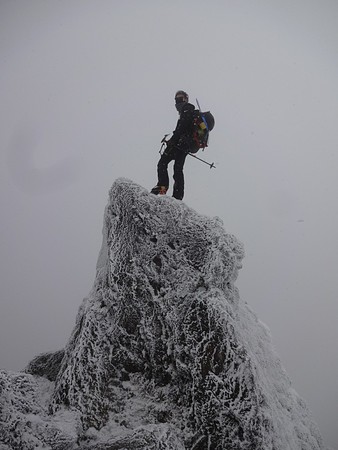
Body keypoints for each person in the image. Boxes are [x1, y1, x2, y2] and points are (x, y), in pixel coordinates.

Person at [151, 90, 198, 200]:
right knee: (174, 167)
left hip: (181, 143)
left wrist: (173, 139)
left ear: (185, 99)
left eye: (180, 99)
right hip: (182, 144)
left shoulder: (188, 108)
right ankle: (173, 194)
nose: (177, 101)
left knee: (168, 164)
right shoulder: (185, 111)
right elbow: (182, 127)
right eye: (176, 99)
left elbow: (182, 127)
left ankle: (167, 190)